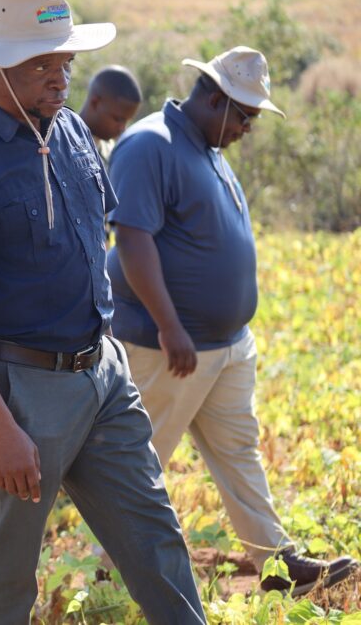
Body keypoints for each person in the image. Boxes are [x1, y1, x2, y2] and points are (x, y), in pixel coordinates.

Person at [0, 0, 205, 624]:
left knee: (157, 541)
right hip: (21, 393)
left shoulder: (71, 130)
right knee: (10, 571)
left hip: (102, 374)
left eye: (65, 61)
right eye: (40, 63)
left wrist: (111, 354)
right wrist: (0, 428)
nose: (60, 76)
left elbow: (94, 244)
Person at [106, 45, 359, 596]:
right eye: (244, 115)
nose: (248, 128)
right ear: (215, 99)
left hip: (224, 345)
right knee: (139, 462)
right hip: (168, 345)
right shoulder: (151, 144)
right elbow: (132, 239)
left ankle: (277, 566)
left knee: (239, 452)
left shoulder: (207, 146)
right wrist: (170, 325)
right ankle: (104, 576)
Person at [78, 64, 142, 168]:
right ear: (95, 103)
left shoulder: (112, 151)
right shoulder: (63, 145)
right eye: (118, 119)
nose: (122, 128)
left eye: (126, 121)